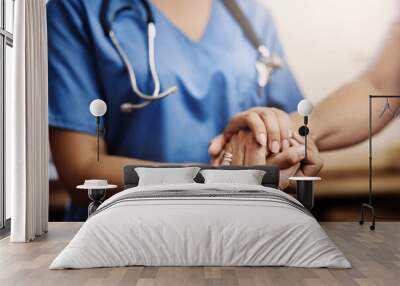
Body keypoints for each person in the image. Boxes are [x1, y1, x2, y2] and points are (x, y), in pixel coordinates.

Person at [47, 0, 316, 220]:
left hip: (239, 226)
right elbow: (81, 172)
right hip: (126, 229)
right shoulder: (76, 9)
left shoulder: (252, 17)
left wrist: (288, 154)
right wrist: (224, 181)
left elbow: (295, 132)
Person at [210, 5, 400, 170]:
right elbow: (380, 86)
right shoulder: (251, 17)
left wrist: (273, 137)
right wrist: (277, 131)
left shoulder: (255, 18)